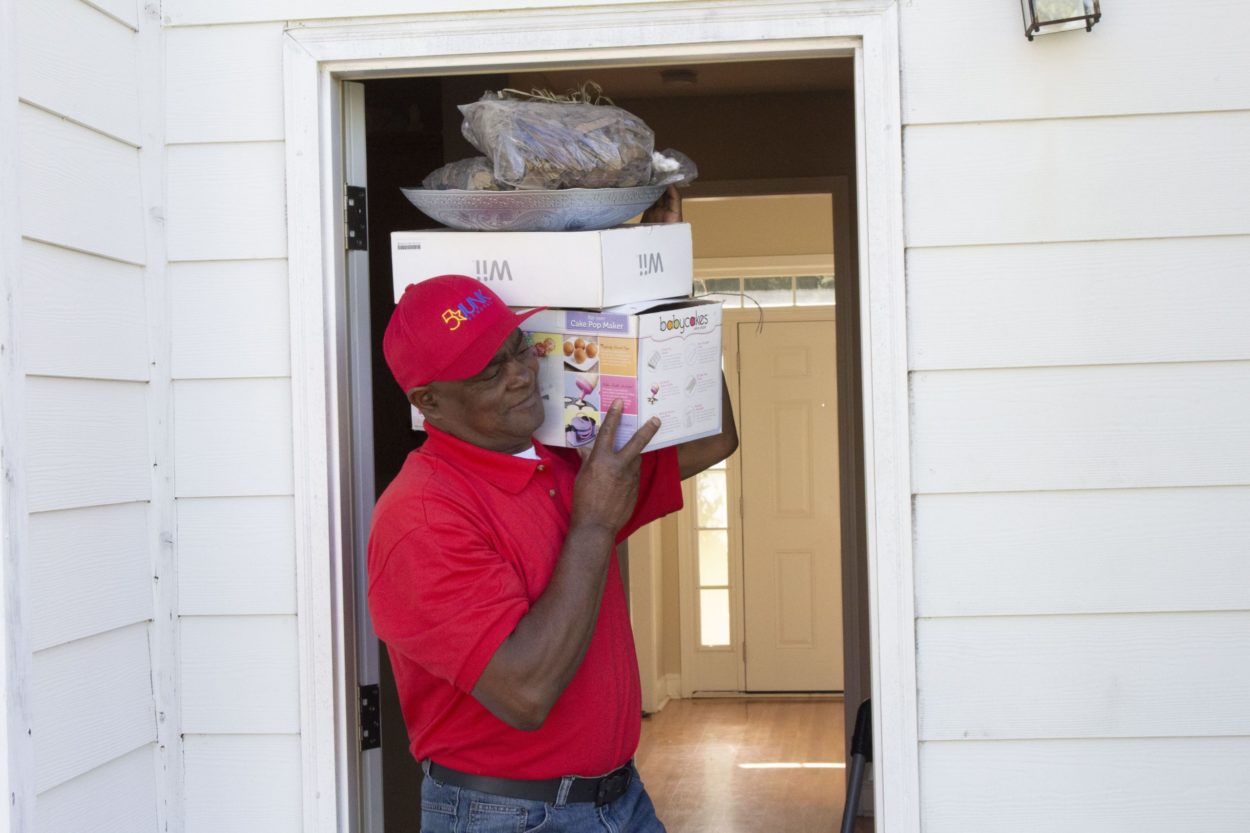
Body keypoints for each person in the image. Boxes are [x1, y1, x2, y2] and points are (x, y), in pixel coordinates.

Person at [367, 191, 737, 833]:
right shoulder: (422, 518)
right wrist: (594, 523)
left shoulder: (562, 458)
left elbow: (713, 436)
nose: (520, 375)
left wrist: (661, 289)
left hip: (619, 800)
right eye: (487, 371)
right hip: (506, 814)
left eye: (517, 348)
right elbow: (525, 692)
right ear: (430, 401)